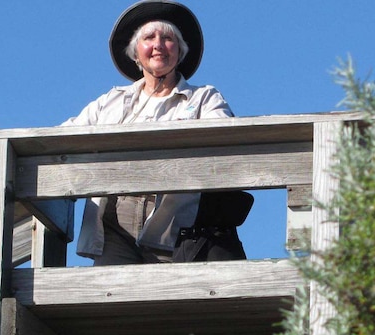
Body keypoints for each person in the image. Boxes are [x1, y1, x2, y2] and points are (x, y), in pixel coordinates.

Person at [62, 0, 247, 266]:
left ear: (180, 52)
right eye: (149, 37)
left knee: (172, 300)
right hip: (114, 222)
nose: (158, 44)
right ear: (136, 53)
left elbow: (223, 141)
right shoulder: (110, 101)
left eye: (168, 38)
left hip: (173, 225)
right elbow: (63, 138)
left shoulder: (205, 97)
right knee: (112, 300)